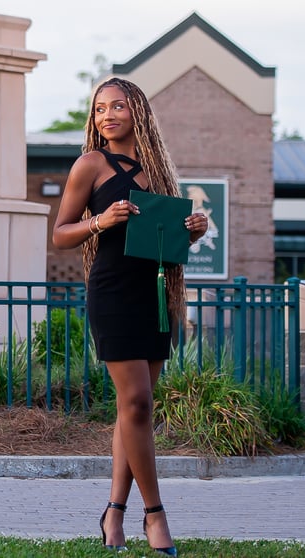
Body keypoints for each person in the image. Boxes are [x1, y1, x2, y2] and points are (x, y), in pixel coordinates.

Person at [52, 77, 208, 555]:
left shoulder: (158, 172)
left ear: (137, 111)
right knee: (137, 402)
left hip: (154, 295)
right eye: (100, 109)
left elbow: (165, 242)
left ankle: (113, 514)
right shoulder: (90, 165)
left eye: (118, 106)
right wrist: (102, 220)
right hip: (112, 292)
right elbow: (60, 233)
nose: (108, 115)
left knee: (133, 410)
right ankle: (155, 516)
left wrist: (192, 232)